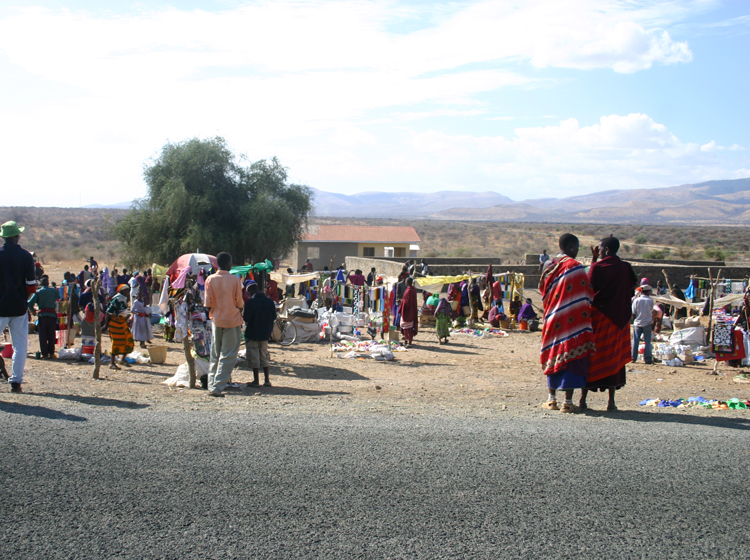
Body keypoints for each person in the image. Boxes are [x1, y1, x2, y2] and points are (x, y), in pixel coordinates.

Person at [539, 233, 595, 413]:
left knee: (552, 353)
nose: (577, 250)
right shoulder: (576, 267)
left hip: (552, 319)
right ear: (571, 246)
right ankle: (568, 402)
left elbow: (543, 291)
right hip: (573, 321)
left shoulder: (549, 266)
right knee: (572, 357)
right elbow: (587, 293)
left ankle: (551, 399)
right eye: (577, 247)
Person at [581, 236, 638, 412]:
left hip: (599, 319)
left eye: (600, 248)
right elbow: (632, 286)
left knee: (592, 356)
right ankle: (611, 402)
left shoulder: (597, 267)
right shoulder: (625, 267)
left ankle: (583, 400)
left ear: (604, 250)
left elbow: (587, 287)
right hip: (619, 320)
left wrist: (593, 261)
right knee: (615, 356)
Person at [0, 221, 36, 392]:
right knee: (20, 345)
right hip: (19, 307)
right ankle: (16, 381)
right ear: (16, 237)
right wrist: (24, 299)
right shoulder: (26, 256)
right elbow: (31, 285)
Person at [204, 252, 244, 397]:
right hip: (232, 320)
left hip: (216, 319)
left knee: (215, 353)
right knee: (228, 354)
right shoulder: (234, 279)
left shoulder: (210, 279)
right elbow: (239, 301)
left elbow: (207, 303)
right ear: (228, 263)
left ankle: (211, 384)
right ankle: (218, 386)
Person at [243, 281, 277, 387]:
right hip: (265, 333)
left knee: (254, 355)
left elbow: (247, 318)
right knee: (264, 354)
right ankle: (267, 380)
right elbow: (274, 316)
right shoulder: (269, 301)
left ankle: (256, 380)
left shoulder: (250, 302)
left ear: (250, 291)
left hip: (253, 333)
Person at [28, 276, 59, 359]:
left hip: (42, 315)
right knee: (51, 334)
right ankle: (52, 353)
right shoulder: (53, 291)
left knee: (43, 335)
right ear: (48, 283)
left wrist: (33, 310)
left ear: (41, 284)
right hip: (52, 315)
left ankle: (44, 353)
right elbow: (58, 298)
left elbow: (30, 302)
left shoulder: (38, 292)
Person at [106, 284, 134, 370]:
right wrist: (105, 325)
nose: (127, 292)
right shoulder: (117, 299)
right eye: (126, 290)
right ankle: (112, 363)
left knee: (128, 340)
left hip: (122, 323)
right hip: (116, 324)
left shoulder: (123, 299)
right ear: (121, 291)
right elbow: (108, 312)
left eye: (128, 290)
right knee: (117, 343)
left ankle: (123, 359)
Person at [632, 285, 655, 364]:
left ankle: (633, 358)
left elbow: (633, 312)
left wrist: (636, 319)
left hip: (638, 323)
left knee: (635, 341)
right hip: (647, 323)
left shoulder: (637, 300)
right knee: (647, 342)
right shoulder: (651, 301)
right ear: (648, 292)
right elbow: (651, 311)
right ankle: (647, 359)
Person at [398, 277, 419, 347]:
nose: (405, 282)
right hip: (412, 310)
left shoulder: (409, 290)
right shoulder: (413, 289)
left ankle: (409, 341)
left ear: (408, 282)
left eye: (406, 281)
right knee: (408, 327)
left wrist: (401, 301)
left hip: (408, 311)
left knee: (407, 327)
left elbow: (407, 302)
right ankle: (406, 341)